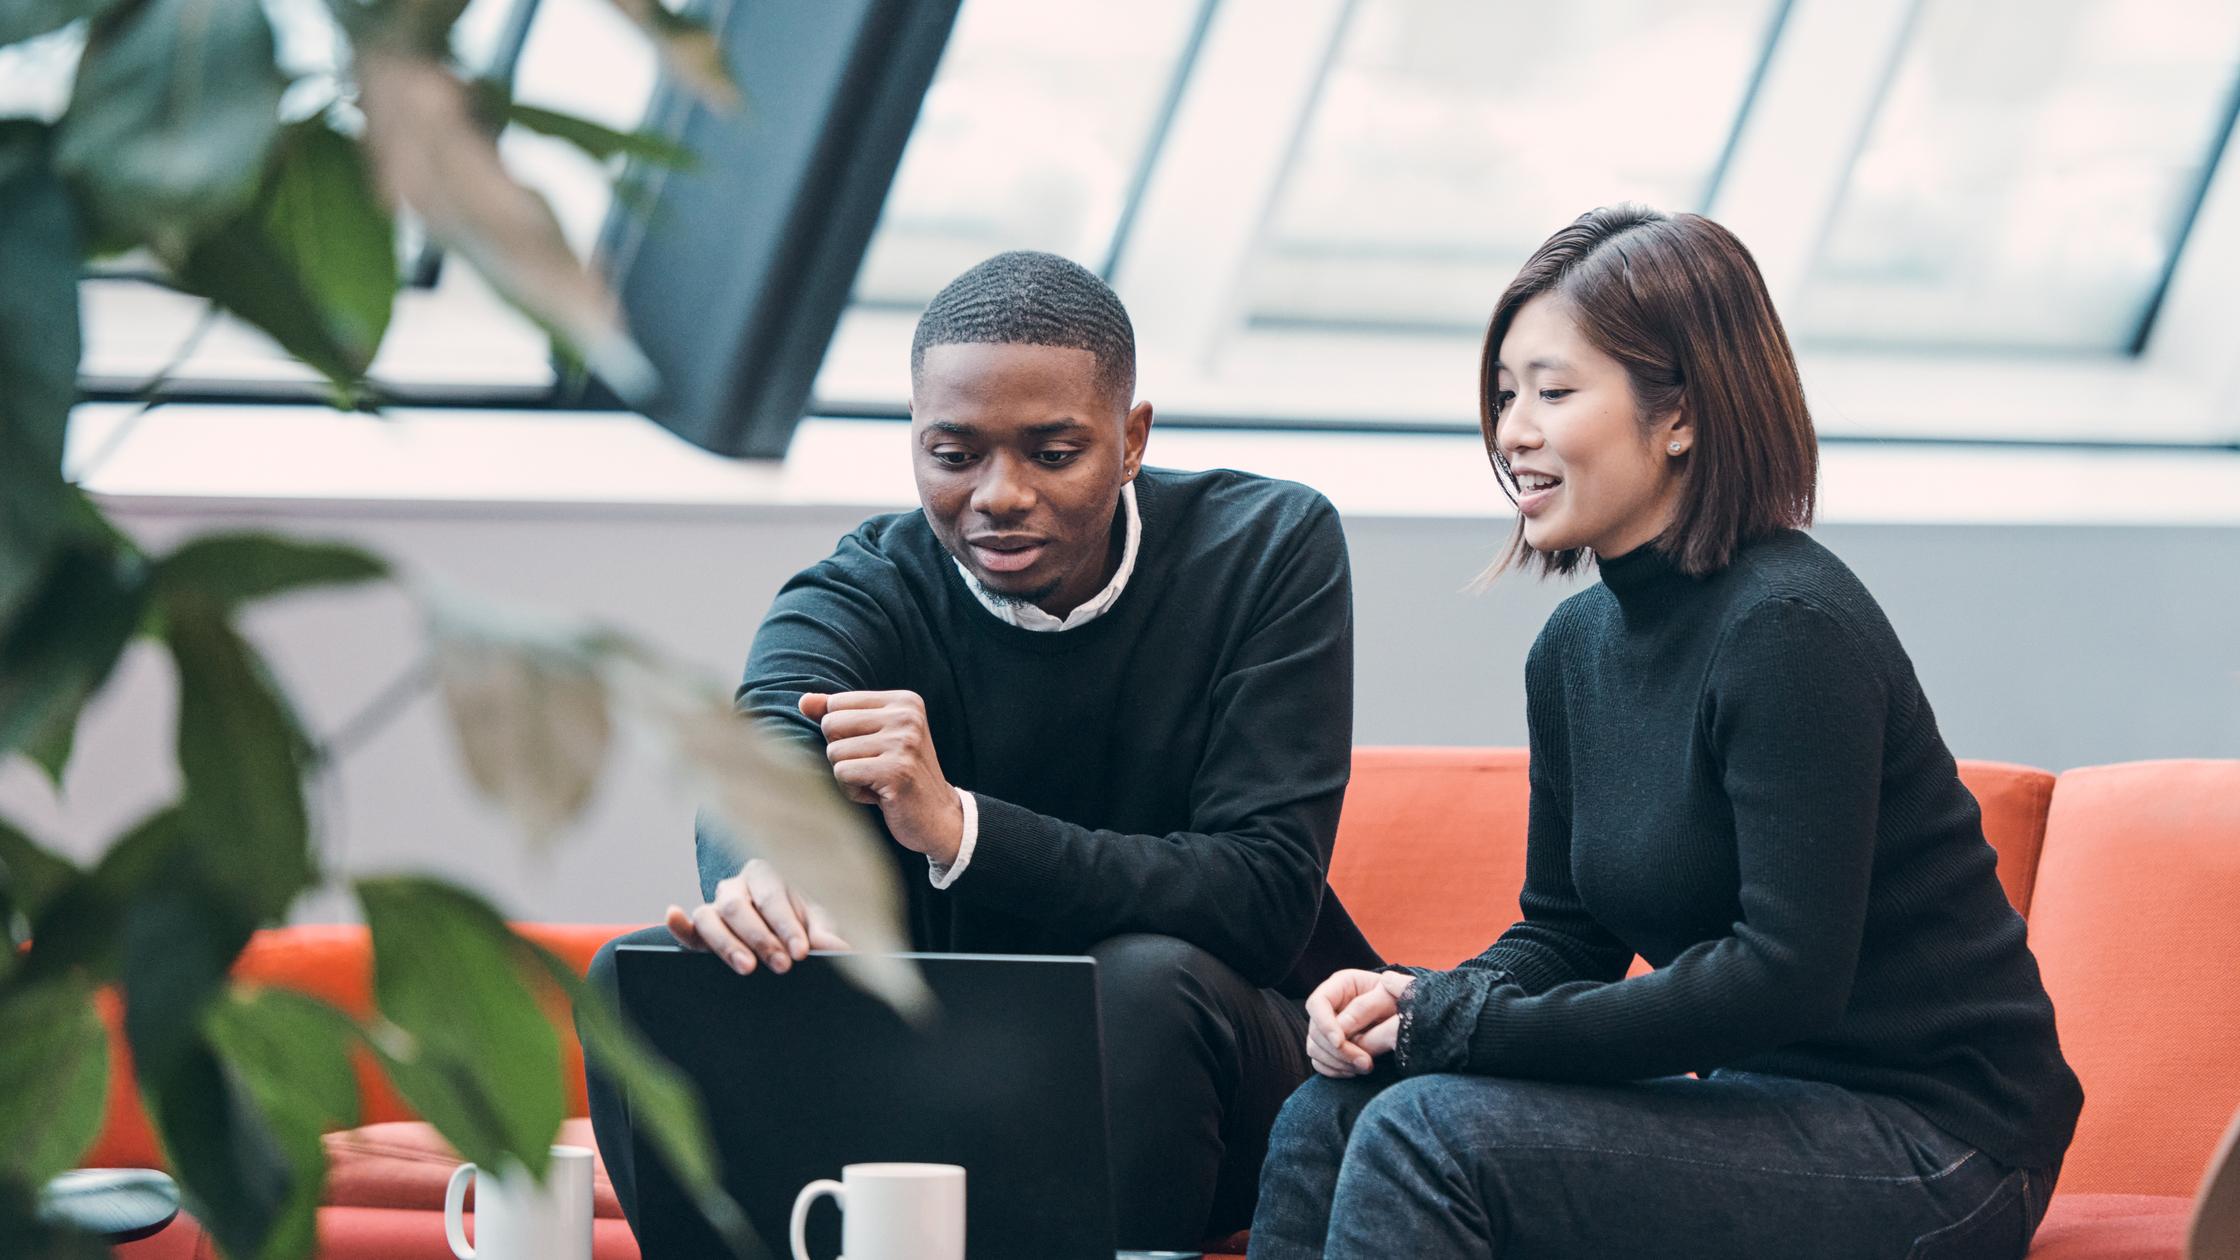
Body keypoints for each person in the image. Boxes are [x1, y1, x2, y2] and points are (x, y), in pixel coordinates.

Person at [1248, 206, 2084, 1260]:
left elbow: (1783, 974)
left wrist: (1455, 1033)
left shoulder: (1787, 627)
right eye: (1504, 394)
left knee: (1429, 1133)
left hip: (1939, 1145)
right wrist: (1411, 1005)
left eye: (1552, 393)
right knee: (1332, 1110)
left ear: (1679, 414)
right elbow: (1564, 934)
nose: (1511, 430)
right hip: (1757, 1107)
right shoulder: (1573, 647)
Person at [586, 250, 1381, 1249]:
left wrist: (960, 827)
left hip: (1201, 1073)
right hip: (940, 1058)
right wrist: (773, 882)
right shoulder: (864, 588)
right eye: (953, 455)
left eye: (1051, 453)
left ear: (1130, 440)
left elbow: (1259, 899)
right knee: (642, 973)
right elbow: (763, 754)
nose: (997, 495)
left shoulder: (1264, 547)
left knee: (1134, 985)